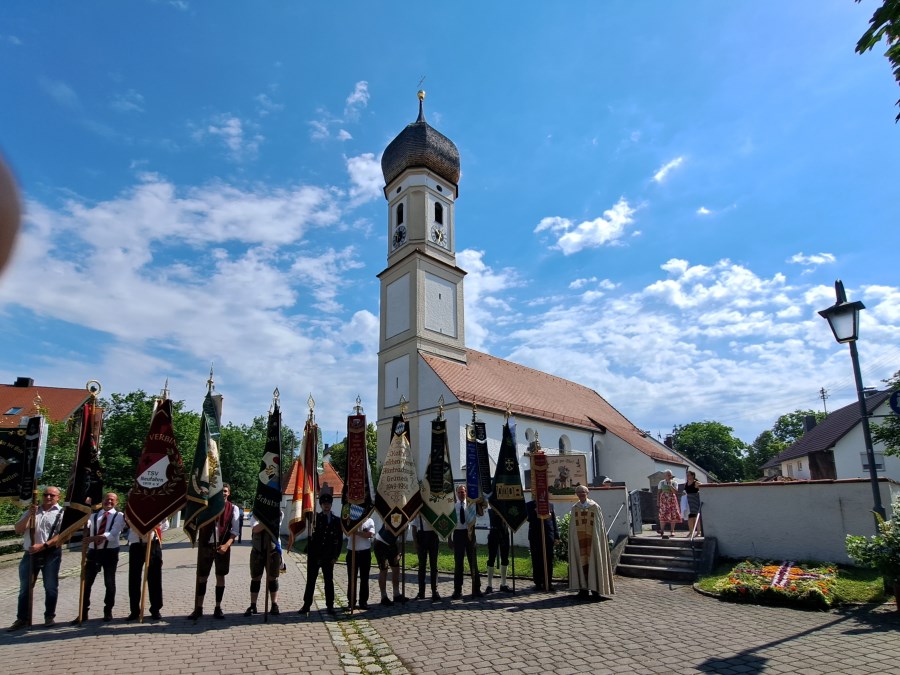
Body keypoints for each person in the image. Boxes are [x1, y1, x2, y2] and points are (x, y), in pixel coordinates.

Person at [8, 486, 64, 631]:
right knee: (25, 588)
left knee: (50, 586)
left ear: (58, 497)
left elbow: (63, 535)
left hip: (50, 553)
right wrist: (29, 515)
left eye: (52, 495)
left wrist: (43, 545)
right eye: (46, 494)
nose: (48, 497)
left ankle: (49, 616)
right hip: (30, 554)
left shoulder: (61, 513)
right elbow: (18, 529)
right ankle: (22, 618)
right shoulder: (32, 510)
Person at [188, 484, 240, 620]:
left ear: (229, 493)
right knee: (202, 577)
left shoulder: (233, 508)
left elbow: (235, 531)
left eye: (225, 491)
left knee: (220, 576)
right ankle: (198, 608)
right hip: (206, 545)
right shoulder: (206, 506)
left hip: (222, 547)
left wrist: (227, 545)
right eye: (220, 491)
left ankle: (218, 607)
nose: (223, 493)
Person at [74, 492, 125, 623]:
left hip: (110, 552)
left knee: (109, 582)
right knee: (86, 582)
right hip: (93, 552)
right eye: (107, 499)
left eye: (112, 500)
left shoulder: (119, 516)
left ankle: (108, 611)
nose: (109, 502)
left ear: (117, 502)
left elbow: (113, 533)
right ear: (102, 500)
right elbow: (83, 526)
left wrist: (94, 538)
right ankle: (83, 612)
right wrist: (83, 512)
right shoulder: (93, 515)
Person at [296, 492, 343, 615]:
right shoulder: (315, 518)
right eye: (324, 504)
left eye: (328, 504)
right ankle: (306, 605)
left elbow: (339, 540)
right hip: (315, 555)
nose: (326, 506)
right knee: (311, 581)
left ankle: (330, 605)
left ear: (331, 505)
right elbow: (305, 511)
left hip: (328, 556)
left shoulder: (336, 521)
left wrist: (335, 556)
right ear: (321, 505)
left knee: (329, 581)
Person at [568, 485, 615, 601]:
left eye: (583, 492)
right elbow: (573, 527)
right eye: (579, 493)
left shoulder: (595, 507)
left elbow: (599, 526)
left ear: (587, 493)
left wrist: (597, 538)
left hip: (593, 539)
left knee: (595, 559)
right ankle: (583, 589)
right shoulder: (575, 508)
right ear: (576, 494)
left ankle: (595, 590)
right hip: (580, 541)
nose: (581, 495)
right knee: (580, 561)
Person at [126, 517, 169, 621]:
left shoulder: (158, 508)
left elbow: (165, 524)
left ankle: (155, 610)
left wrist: (154, 527)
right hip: (136, 544)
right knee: (134, 579)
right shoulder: (134, 505)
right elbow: (128, 520)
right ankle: (135, 611)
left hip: (153, 543)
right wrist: (142, 530)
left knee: (155, 578)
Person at [244, 511, 283, 616]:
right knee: (256, 578)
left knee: (272, 578)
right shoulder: (255, 514)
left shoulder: (278, 513)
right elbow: (255, 528)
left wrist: (265, 522)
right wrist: (266, 521)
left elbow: (275, 526)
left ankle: (274, 605)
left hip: (273, 551)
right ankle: (253, 605)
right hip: (258, 551)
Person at [451, 484, 482, 600]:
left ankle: (477, 588)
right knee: (458, 564)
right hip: (458, 535)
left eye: (463, 492)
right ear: (456, 494)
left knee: (473, 562)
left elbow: (480, 513)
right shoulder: (453, 506)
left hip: (470, 534)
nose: (461, 494)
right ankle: (457, 590)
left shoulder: (471, 505)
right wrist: (450, 539)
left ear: (466, 493)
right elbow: (450, 523)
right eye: (459, 492)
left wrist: (478, 501)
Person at [526, 498, 559, 591]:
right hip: (535, 536)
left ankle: (548, 582)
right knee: (536, 559)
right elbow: (528, 519)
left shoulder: (550, 505)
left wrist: (556, 535)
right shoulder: (529, 505)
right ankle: (538, 583)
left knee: (549, 559)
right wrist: (535, 511)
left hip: (548, 535)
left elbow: (553, 520)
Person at [373, 523, 409, 606]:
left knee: (396, 569)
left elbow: (402, 541)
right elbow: (387, 527)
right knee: (384, 569)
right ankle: (384, 596)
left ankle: (396, 594)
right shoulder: (392, 515)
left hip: (392, 545)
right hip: (381, 543)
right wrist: (401, 527)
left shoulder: (407, 525)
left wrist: (399, 554)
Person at [346, 515, 375, 609]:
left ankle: (363, 602)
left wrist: (357, 532)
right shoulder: (351, 520)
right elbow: (347, 532)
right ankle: (351, 602)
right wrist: (359, 532)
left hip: (365, 553)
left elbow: (370, 534)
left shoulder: (370, 521)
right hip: (352, 551)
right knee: (352, 578)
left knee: (364, 578)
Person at [412, 512, 440, 601]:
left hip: (433, 536)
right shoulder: (418, 511)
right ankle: (421, 592)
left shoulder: (433, 509)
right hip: (421, 536)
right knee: (422, 566)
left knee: (434, 565)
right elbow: (414, 527)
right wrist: (416, 542)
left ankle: (434, 591)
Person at [485, 506, 511, 593]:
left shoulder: (505, 505)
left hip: (504, 532)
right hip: (493, 532)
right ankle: (489, 585)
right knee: (491, 558)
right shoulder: (491, 504)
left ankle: (503, 584)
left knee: (505, 558)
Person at [657, 470, 682, 538]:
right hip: (664, 500)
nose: (669, 476)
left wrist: (670, 484)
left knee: (673, 514)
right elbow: (659, 492)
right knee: (662, 514)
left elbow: (675, 492)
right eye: (667, 475)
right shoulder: (661, 482)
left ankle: (672, 530)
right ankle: (662, 530)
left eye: (670, 475)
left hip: (672, 500)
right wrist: (658, 501)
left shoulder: (674, 482)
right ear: (665, 476)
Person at [684, 470, 702, 537]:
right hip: (689, 503)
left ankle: (698, 532)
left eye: (689, 475)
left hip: (695, 501)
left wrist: (699, 488)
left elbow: (703, 487)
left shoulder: (696, 483)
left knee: (697, 517)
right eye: (687, 475)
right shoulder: (686, 484)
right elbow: (685, 492)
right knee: (690, 517)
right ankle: (691, 532)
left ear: (693, 475)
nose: (687, 476)